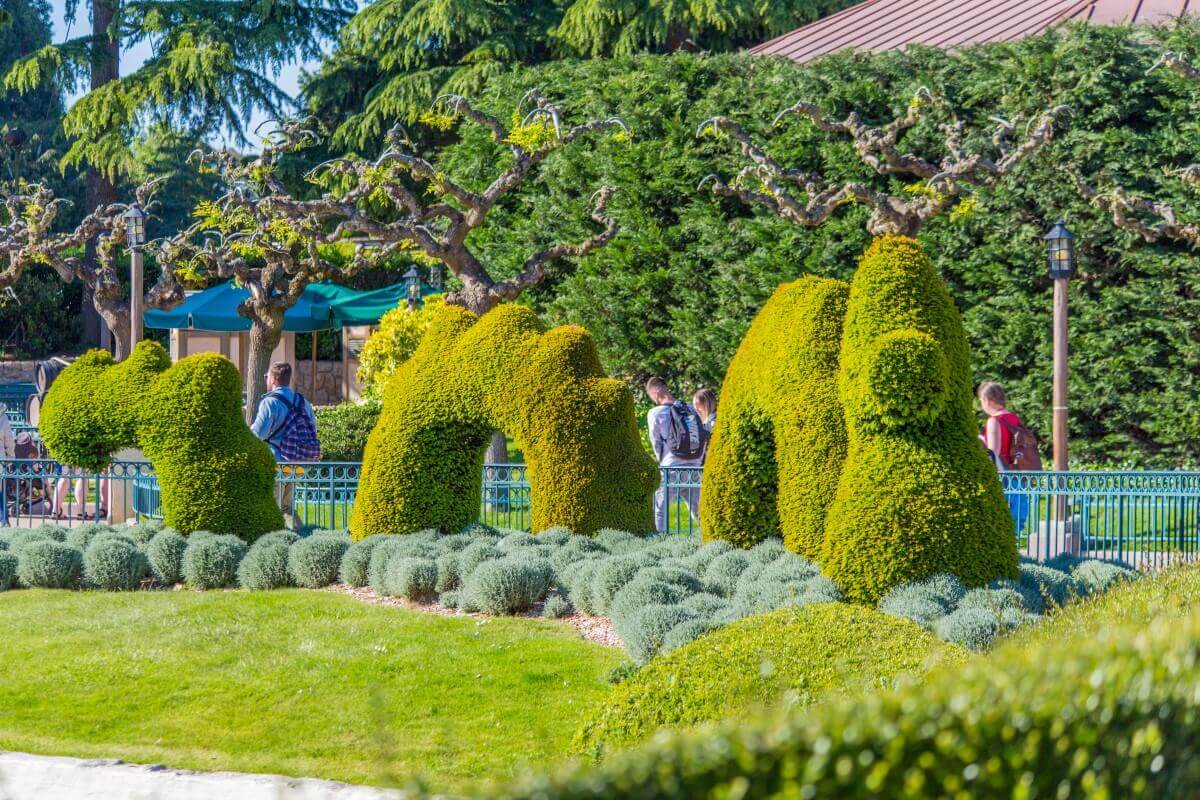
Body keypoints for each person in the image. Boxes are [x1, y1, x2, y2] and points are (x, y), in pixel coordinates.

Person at [250, 363, 321, 521]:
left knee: (272, 507)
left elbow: (258, 434)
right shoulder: (303, 402)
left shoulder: (270, 403)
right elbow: (312, 431)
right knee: (288, 506)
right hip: (298, 465)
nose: (266, 379)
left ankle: (274, 540)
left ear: (274, 379)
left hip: (277, 463)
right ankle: (297, 538)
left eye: (267, 376)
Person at [646, 377, 706, 533]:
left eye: (652, 397)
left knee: (660, 511)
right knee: (699, 511)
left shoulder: (655, 413)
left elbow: (656, 443)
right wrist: (696, 461)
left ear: (656, 392)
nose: (654, 400)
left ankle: (659, 545)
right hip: (694, 468)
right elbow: (702, 436)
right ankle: (709, 540)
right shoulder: (690, 409)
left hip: (671, 468)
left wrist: (662, 463)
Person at [978, 381, 1030, 531]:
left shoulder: (994, 421)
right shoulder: (1014, 419)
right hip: (1018, 474)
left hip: (1003, 476)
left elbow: (993, 453)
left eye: (981, 401)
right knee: (1016, 518)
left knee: (1000, 521)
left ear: (987, 400)